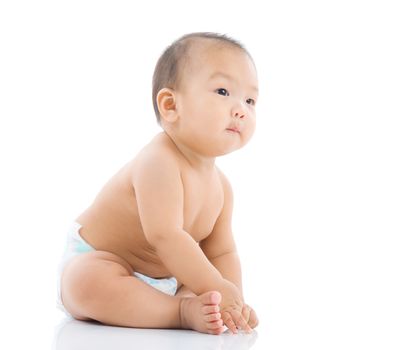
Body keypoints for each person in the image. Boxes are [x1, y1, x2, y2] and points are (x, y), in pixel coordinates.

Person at [58, 32, 259, 335]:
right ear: (170, 105)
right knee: (85, 282)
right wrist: (214, 286)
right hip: (107, 261)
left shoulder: (223, 187)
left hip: (171, 278)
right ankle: (178, 312)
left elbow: (221, 253)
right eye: (222, 91)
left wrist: (232, 300)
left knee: (205, 288)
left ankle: (183, 304)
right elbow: (164, 236)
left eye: (250, 99)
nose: (241, 108)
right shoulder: (159, 161)